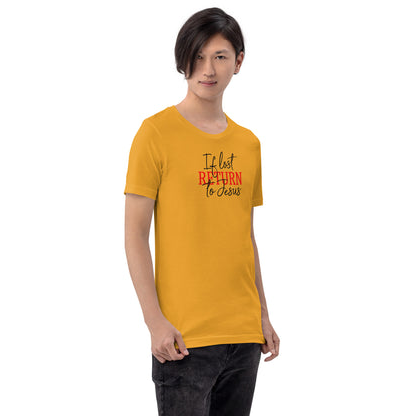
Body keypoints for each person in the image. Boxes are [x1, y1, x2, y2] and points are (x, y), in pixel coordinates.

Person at [124, 7, 280, 416]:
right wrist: (154, 322)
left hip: (243, 336)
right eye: (198, 56)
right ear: (184, 60)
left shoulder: (248, 144)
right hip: (183, 339)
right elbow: (135, 235)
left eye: (220, 56)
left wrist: (263, 316)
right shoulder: (155, 133)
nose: (208, 69)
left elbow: (244, 236)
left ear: (238, 61)